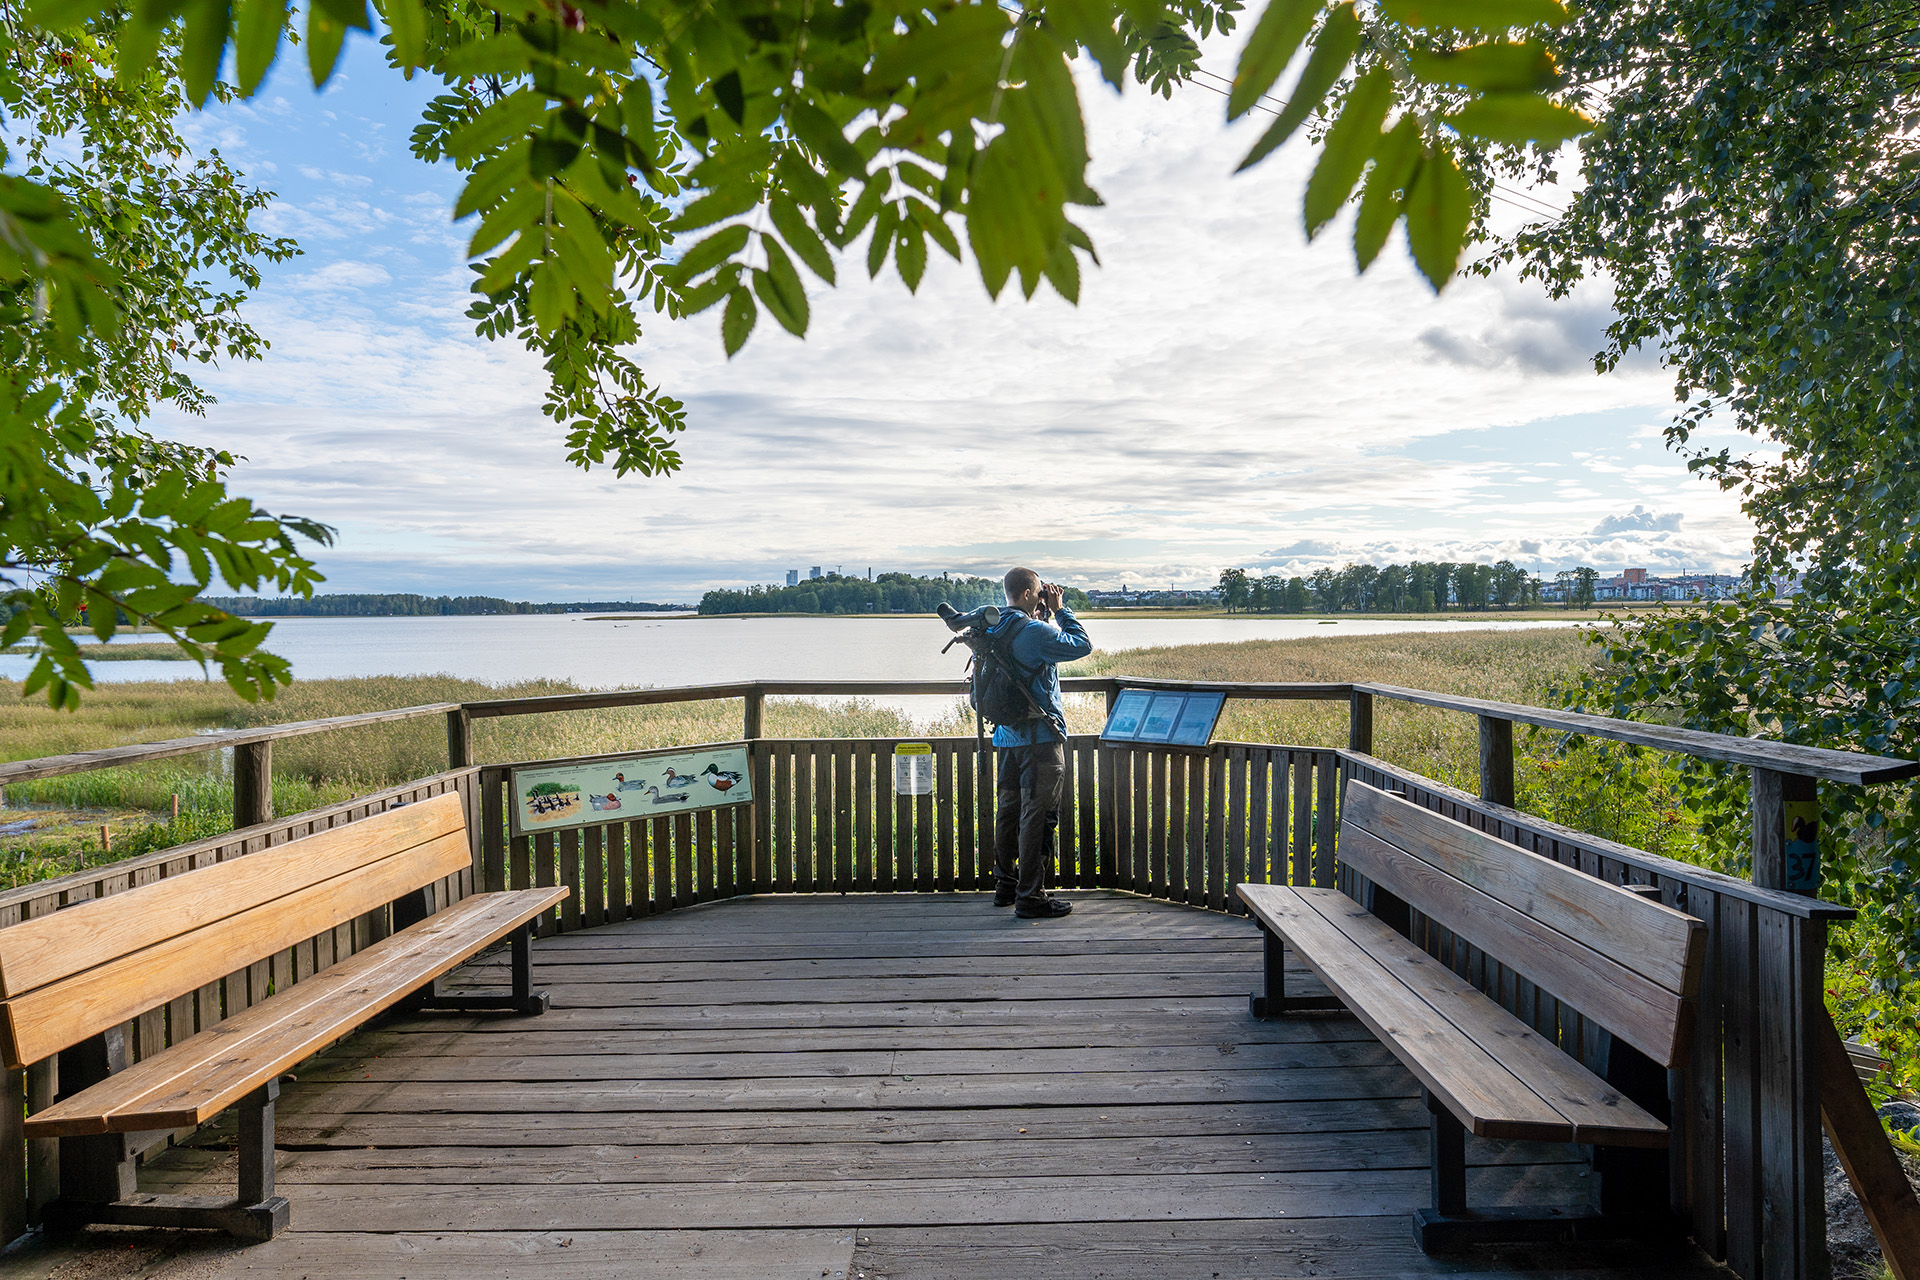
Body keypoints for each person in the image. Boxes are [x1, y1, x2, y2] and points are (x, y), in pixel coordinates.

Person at [989, 567, 1092, 919]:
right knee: (1038, 816)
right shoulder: (1034, 631)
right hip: (1040, 740)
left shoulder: (994, 626)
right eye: (1040, 593)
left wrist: (1042, 618)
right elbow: (1081, 645)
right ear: (1031, 593)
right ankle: (1031, 896)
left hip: (1005, 738)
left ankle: (1006, 886)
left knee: (1009, 812)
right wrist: (1062, 611)